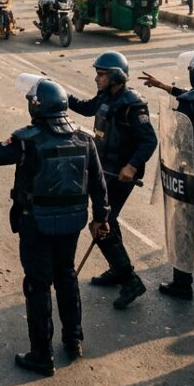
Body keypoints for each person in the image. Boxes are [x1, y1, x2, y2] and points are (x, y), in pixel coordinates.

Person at [0, 78, 110, 377]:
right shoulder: (85, 138)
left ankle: (42, 355)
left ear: (36, 106)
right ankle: (74, 339)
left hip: (36, 223)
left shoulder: (27, 140)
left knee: (37, 285)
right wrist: (101, 217)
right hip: (72, 222)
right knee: (66, 276)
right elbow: (98, 182)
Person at [67, 52, 157, 309]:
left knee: (100, 223)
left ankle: (130, 280)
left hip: (120, 174)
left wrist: (131, 166)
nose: (97, 78)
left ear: (116, 75)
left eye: (101, 73)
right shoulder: (106, 96)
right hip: (103, 171)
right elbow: (86, 107)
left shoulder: (133, 104)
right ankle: (119, 269)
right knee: (108, 221)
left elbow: (149, 140)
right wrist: (61, 96)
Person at [140, 51, 194, 300]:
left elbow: (177, 137)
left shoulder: (189, 103)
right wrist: (165, 87)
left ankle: (182, 283)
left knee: (184, 227)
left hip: (190, 171)